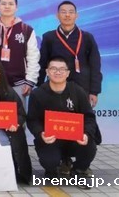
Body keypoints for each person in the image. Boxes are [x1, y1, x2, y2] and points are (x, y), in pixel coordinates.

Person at [27, 56, 99, 190]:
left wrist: (86, 134)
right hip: (51, 139)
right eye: (53, 69)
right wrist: (41, 133)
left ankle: (78, 170)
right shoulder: (38, 94)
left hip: (74, 139)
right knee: (49, 161)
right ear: (47, 72)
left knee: (89, 145)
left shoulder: (77, 91)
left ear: (68, 73)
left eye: (62, 69)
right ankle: (52, 169)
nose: (57, 72)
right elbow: (32, 120)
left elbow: (89, 117)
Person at [38, 1, 102, 108]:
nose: (67, 15)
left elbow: (95, 65)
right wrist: (39, 87)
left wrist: (94, 91)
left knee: (80, 117)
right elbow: (42, 64)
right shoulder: (49, 37)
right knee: (55, 117)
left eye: (71, 12)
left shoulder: (87, 37)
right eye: (63, 12)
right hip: (55, 86)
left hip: (82, 87)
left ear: (76, 15)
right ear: (57, 16)